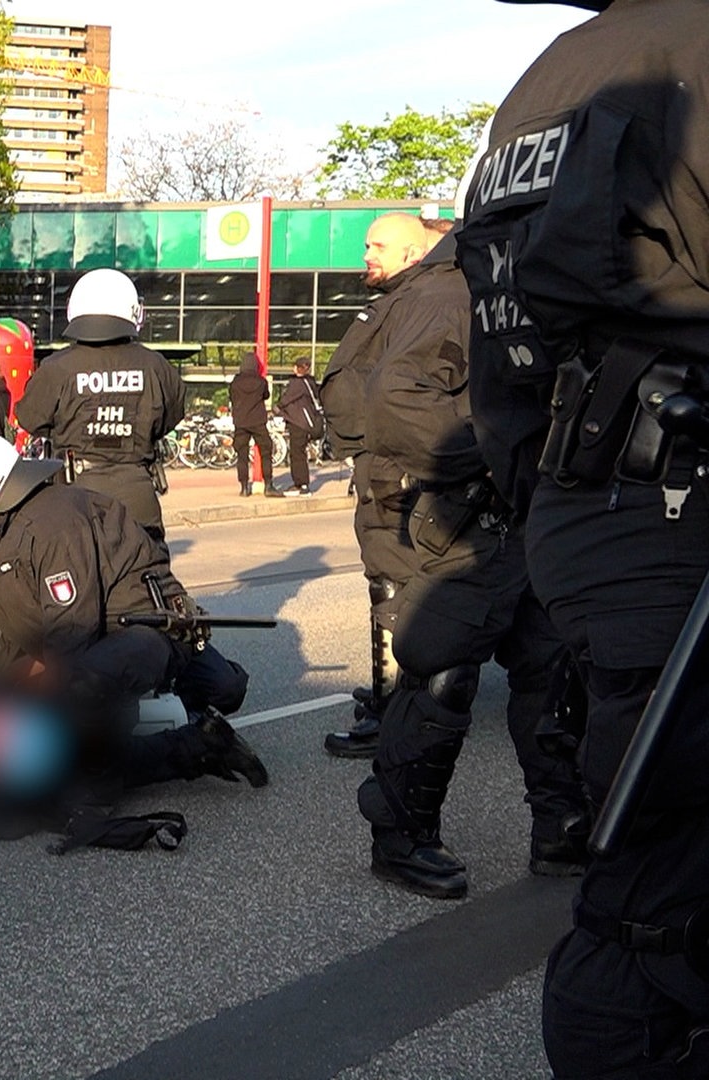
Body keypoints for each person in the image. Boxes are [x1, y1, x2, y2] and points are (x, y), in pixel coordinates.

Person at [457, 2, 709, 1072]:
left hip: (591, 508)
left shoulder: (548, 78)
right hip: (678, 523)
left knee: (643, 894)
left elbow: (497, 351)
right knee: (660, 914)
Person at [351, 225, 586, 899]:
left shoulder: (523, 280)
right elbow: (393, 402)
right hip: (471, 517)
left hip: (532, 513)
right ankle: (401, 836)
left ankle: (561, 826)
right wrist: (492, 458)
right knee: (442, 672)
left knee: (549, 669)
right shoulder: (452, 291)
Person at [0, 433, 267, 816]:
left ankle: (198, 746)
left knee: (66, 730)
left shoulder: (51, 527)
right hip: (90, 639)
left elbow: (69, 643)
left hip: (141, 631)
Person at [317, 213, 445, 760]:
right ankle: (393, 701)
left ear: (413, 254)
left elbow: (407, 390)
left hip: (396, 470)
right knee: (389, 583)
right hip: (382, 466)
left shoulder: (424, 302)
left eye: (378, 245)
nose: (366, 253)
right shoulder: (405, 299)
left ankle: (398, 714)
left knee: (396, 587)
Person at [15, 269, 185, 546]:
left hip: (76, 493)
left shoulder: (57, 368)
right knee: (148, 579)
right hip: (137, 489)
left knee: (78, 581)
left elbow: (30, 418)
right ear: (133, 311)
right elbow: (172, 414)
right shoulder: (156, 366)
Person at [228, 356, 282, 498]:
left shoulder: (235, 382)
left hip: (241, 422)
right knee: (266, 450)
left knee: (242, 455)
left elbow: (232, 397)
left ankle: (244, 487)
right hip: (257, 421)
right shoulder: (261, 382)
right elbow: (266, 395)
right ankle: (268, 485)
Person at [276, 359, 323, 496]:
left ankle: (302, 485)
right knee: (299, 453)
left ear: (297, 368)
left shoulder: (298, 384)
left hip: (299, 423)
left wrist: (276, 409)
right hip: (307, 423)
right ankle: (301, 483)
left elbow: (286, 399)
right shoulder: (310, 382)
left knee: (297, 454)